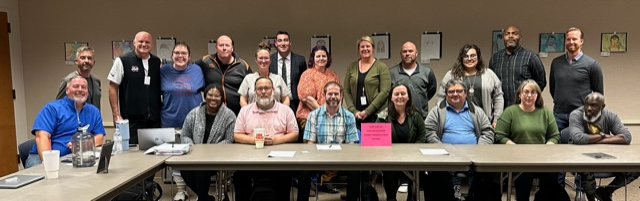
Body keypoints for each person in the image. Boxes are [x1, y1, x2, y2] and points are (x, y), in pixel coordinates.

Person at [550, 27, 604, 191]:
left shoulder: (591, 64)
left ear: (581, 41)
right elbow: (553, 88)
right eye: (568, 39)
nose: (571, 42)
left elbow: (598, 93)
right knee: (558, 152)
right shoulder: (556, 62)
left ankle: (581, 187)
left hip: (582, 116)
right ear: (565, 42)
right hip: (558, 113)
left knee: (580, 153)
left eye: (574, 39)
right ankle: (557, 189)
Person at [425, 79, 498, 201]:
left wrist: (479, 150)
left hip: (475, 156)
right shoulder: (437, 111)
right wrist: (441, 148)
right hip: (444, 157)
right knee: (435, 181)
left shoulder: (477, 111)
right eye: (451, 91)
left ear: (465, 93)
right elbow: (428, 131)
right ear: (446, 94)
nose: (455, 94)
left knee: (489, 180)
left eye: (459, 91)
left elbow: (488, 131)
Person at [495, 80, 568, 201]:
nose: (529, 95)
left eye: (533, 92)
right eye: (526, 92)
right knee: (523, 182)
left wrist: (548, 146)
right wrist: (514, 146)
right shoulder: (510, 112)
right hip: (520, 159)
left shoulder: (545, 112)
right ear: (519, 95)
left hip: (543, 159)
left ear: (537, 95)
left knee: (551, 185)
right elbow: (499, 135)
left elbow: (554, 136)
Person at [233, 77, 298, 201]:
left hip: (279, 160)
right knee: (239, 176)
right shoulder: (245, 111)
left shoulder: (285, 110)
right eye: (259, 88)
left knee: (285, 176)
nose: (263, 91)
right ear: (255, 91)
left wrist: (275, 141)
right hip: (250, 159)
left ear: (273, 90)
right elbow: (236, 135)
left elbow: (294, 133)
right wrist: (255, 140)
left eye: (267, 88)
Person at [568, 92, 639, 201]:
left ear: (603, 106)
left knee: (636, 169)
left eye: (594, 105)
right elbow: (578, 138)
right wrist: (602, 135)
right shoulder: (576, 115)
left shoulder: (610, 115)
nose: (588, 108)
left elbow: (626, 137)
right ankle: (592, 199)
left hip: (607, 156)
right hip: (582, 157)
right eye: (586, 104)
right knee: (586, 169)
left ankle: (605, 192)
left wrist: (595, 140)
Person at [377, 83, 441, 201]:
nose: (400, 96)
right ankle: (391, 198)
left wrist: (411, 153)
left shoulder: (416, 116)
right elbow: (378, 139)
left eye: (403, 93)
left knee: (420, 179)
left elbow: (422, 137)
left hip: (413, 159)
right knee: (389, 175)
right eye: (396, 94)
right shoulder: (383, 116)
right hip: (391, 160)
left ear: (408, 97)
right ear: (391, 97)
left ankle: (412, 197)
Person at [298, 81, 360, 201]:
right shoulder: (313, 115)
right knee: (304, 171)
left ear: (341, 96)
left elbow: (351, 146)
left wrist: (337, 164)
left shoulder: (349, 116)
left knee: (355, 171)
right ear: (324, 95)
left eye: (336, 94)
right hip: (318, 159)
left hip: (343, 160)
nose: (333, 97)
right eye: (330, 93)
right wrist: (324, 164)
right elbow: (310, 145)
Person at [26, 76, 105, 168]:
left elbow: (99, 137)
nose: (80, 90)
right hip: (42, 158)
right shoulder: (52, 109)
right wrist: (49, 163)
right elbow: (41, 137)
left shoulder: (93, 111)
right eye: (75, 86)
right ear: (67, 90)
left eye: (83, 87)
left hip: (74, 158)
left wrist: (81, 145)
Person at [159, 42, 204, 201]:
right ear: (172, 56)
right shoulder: (163, 71)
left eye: (184, 53)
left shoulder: (197, 70)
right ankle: (180, 190)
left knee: (196, 158)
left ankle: (200, 191)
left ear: (189, 56)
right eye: (177, 53)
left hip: (194, 122)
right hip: (170, 120)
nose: (180, 56)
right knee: (176, 158)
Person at [180, 84, 235, 201]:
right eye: (210, 95)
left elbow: (230, 139)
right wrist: (192, 148)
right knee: (184, 169)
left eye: (217, 96)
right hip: (194, 155)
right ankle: (205, 198)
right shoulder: (194, 113)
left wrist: (210, 150)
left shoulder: (229, 116)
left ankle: (203, 199)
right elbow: (185, 134)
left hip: (217, 158)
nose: (213, 98)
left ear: (221, 98)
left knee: (201, 170)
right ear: (205, 96)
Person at [108, 31, 162, 144]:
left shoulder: (157, 62)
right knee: (132, 155)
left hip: (153, 120)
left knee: (154, 153)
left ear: (151, 44)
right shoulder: (123, 61)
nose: (144, 44)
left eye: (147, 42)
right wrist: (116, 114)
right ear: (134, 43)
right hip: (131, 120)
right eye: (140, 41)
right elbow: (113, 87)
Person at [437, 44, 504, 127]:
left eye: (472, 56)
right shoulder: (451, 74)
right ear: (461, 58)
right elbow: (441, 97)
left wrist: (496, 119)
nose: (469, 59)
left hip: (484, 122)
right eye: (466, 56)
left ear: (478, 57)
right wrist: (442, 117)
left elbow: (498, 97)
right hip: (457, 122)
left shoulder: (489, 74)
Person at [489, 25, 546, 108]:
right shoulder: (495, 58)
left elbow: (541, 82)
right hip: (501, 110)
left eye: (514, 33)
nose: (510, 36)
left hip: (524, 108)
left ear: (520, 37)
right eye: (507, 34)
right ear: (503, 37)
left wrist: (529, 98)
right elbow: (491, 83)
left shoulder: (531, 57)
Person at [195, 35, 252, 115]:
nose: (224, 48)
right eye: (221, 45)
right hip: (213, 113)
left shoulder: (243, 66)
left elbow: (251, 88)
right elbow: (189, 69)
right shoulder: (206, 61)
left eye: (227, 45)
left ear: (232, 48)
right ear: (216, 47)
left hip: (237, 114)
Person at [344, 36, 391, 130]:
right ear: (358, 49)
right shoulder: (352, 67)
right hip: (356, 116)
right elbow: (346, 90)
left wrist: (368, 111)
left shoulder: (381, 67)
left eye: (368, 46)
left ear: (373, 48)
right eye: (362, 47)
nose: (365, 49)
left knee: (374, 144)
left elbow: (385, 91)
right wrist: (354, 111)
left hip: (376, 115)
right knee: (356, 144)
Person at [296, 45, 340, 143]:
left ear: (328, 58)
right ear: (313, 58)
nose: (321, 59)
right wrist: (324, 114)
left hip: (332, 117)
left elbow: (339, 96)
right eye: (318, 56)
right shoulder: (307, 74)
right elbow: (307, 99)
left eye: (324, 56)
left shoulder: (333, 75)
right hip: (308, 117)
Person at [389, 41, 437, 118]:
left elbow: (431, 91)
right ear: (401, 54)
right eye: (404, 51)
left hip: (421, 117)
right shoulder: (391, 73)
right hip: (398, 118)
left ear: (416, 53)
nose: (407, 54)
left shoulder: (427, 72)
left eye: (410, 51)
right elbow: (388, 94)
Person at [239, 42, 291, 107]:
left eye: (266, 58)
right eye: (260, 58)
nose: (263, 61)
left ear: (270, 60)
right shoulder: (248, 78)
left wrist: (283, 112)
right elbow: (242, 99)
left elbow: (286, 98)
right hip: (253, 115)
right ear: (256, 60)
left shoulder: (278, 79)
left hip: (275, 115)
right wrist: (247, 113)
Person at [269, 31, 307, 114]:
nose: (283, 43)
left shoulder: (300, 60)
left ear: (290, 43)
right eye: (280, 41)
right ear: (276, 43)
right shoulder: (269, 60)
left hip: (294, 104)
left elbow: (304, 83)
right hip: (274, 103)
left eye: (285, 40)